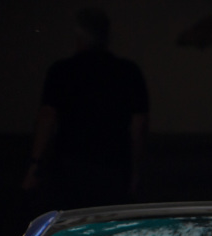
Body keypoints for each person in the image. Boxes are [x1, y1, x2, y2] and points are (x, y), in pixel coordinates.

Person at [22, 9, 149, 210]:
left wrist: (35, 165)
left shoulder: (63, 71)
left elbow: (47, 117)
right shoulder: (128, 72)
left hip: (71, 166)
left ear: (78, 35)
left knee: (73, 223)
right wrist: (135, 170)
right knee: (108, 226)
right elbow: (138, 125)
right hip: (113, 166)